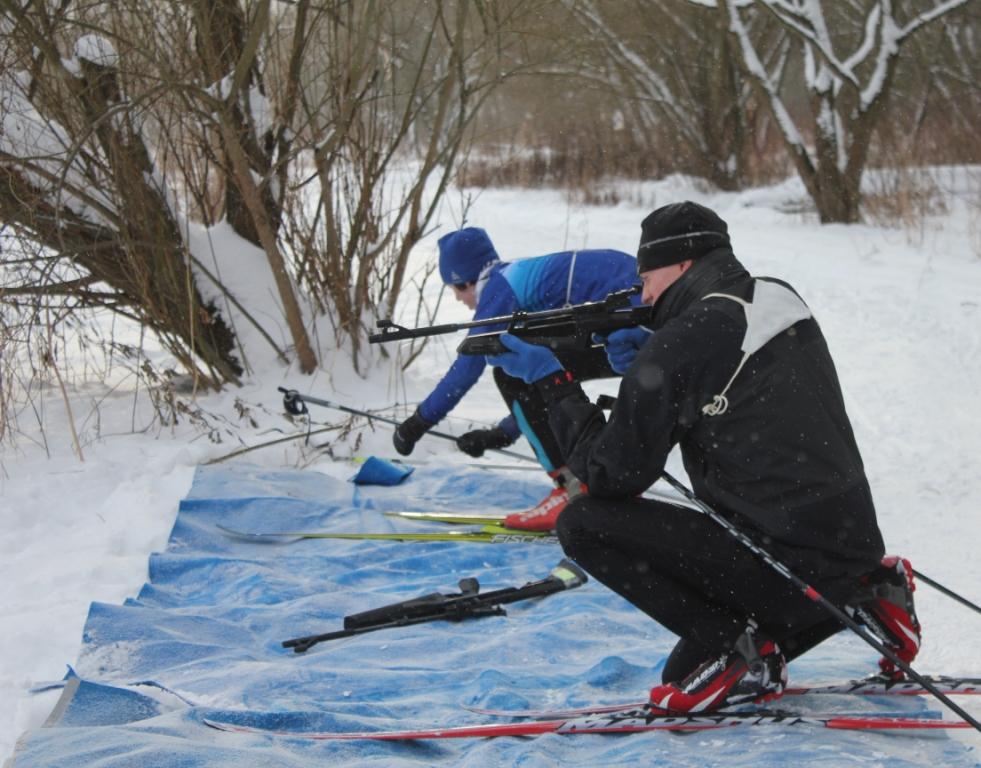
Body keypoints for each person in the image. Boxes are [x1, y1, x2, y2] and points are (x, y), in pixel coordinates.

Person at [487, 201, 921, 713]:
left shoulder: (679, 345)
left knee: (583, 523)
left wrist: (555, 384)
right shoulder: (779, 296)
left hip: (778, 560)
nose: (643, 293)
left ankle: (736, 648)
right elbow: (726, 360)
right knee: (700, 654)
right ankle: (871, 591)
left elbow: (608, 477)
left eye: (646, 277)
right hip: (850, 544)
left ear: (682, 264)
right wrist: (649, 352)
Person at [392, 227, 640, 529]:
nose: (459, 300)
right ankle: (583, 483)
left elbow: (468, 366)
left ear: (467, 280)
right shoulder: (512, 278)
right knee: (530, 367)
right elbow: (540, 381)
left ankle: (572, 487)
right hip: (636, 306)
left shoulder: (498, 289)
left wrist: (416, 424)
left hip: (633, 313)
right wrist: (503, 433)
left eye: (455, 289)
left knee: (508, 372)